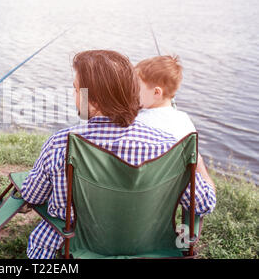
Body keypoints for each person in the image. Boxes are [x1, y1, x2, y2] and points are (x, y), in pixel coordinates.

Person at [20, 50, 216, 259]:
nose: (74, 96)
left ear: (93, 100)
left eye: (76, 90)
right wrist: (198, 164)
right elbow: (204, 204)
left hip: (71, 251)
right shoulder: (171, 149)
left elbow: (32, 195)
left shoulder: (60, 144)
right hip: (148, 251)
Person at [135, 55, 216, 192]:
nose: (132, 91)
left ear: (156, 92)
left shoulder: (137, 122)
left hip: (141, 186)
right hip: (169, 195)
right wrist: (199, 162)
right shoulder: (185, 121)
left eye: (137, 86)